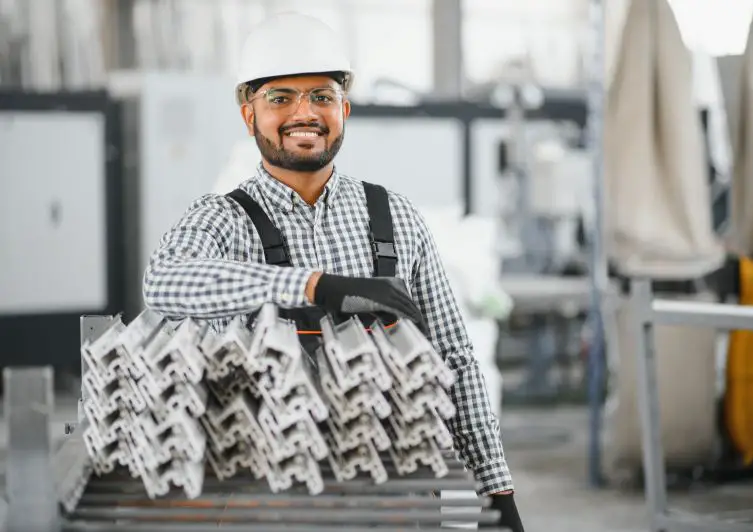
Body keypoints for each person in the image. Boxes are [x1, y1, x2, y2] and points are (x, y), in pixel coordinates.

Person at [142, 11, 524, 532]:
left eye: (321, 96)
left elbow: (455, 356)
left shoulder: (395, 217)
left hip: (398, 501)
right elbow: (165, 281)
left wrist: (495, 490)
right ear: (248, 115)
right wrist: (312, 286)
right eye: (280, 98)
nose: (305, 113)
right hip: (271, 505)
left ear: (344, 108)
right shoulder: (222, 219)